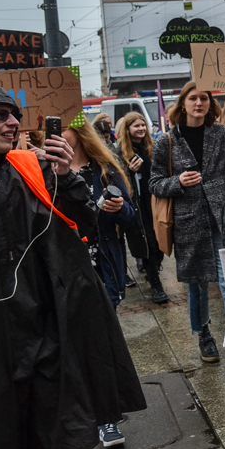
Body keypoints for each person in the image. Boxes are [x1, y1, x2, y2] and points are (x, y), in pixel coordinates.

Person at [0, 79, 145, 449]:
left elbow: (84, 225)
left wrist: (66, 175)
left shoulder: (32, 169)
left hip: (49, 342)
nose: (13, 122)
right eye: (0, 115)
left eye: (14, 114)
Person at [149, 81, 225, 375]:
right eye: (193, 98)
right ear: (182, 103)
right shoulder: (166, 141)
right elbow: (154, 182)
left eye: (204, 99)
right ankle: (204, 335)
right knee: (197, 284)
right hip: (189, 221)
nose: (199, 103)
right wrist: (177, 182)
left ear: (211, 104)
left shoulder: (219, 133)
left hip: (222, 217)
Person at [64, 122, 137, 310]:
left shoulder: (104, 170)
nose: (56, 133)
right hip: (68, 265)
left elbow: (130, 218)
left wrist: (119, 208)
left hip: (102, 262)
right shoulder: (50, 172)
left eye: (63, 128)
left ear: (79, 131)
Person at [116, 112, 170, 304]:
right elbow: (117, 178)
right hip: (137, 206)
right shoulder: (121, 153)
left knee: (160, 244)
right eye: (136, 126)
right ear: (128, 129)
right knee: (147, 245)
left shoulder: (152, 148)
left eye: (143, 125)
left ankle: (153, 269)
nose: (141, 129)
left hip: (155, 202)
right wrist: (129, 172)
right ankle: (156, 284)